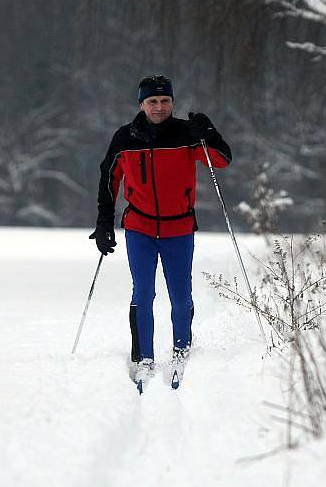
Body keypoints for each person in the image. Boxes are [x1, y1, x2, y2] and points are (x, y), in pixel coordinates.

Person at [90, 75, 232, 389]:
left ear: (172, 103)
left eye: (165, 101)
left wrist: (209, 133)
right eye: (152, 101)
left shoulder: (187, 133)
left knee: (180, 296)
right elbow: (108, 180)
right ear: (141, 104)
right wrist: (103, 222)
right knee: (143, 293)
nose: (159, 107)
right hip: (139, 228)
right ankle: (144, 358)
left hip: (179, 228)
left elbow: (221, 161)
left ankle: (181, 350)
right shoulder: (125, 137)